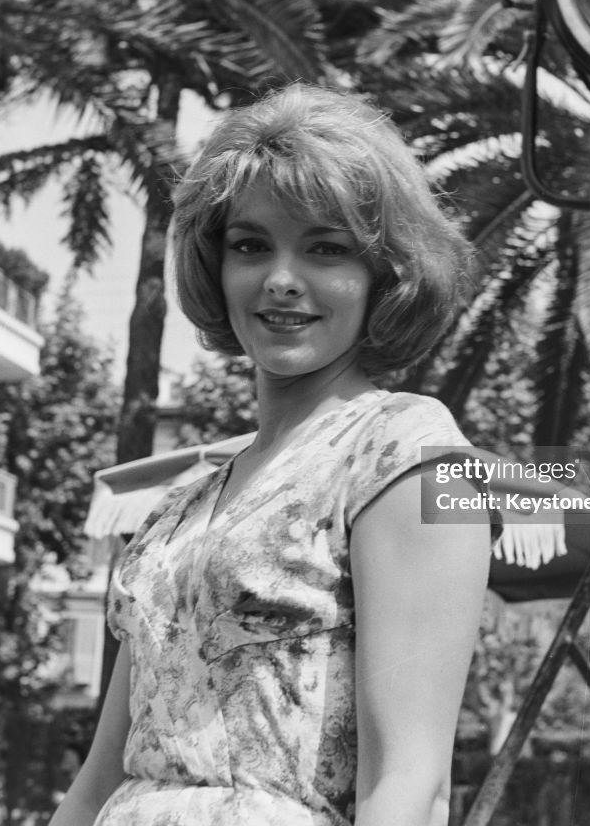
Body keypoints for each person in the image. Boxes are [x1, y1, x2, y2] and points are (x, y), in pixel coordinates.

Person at [52, 84, 491, 826]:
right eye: (252, 245)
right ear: (215, 267)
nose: (281, 278)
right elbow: (100, 780)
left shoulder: (403, 450)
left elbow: (411, 782)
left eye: (326, 248)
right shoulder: (178, 510)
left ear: (385, 272)